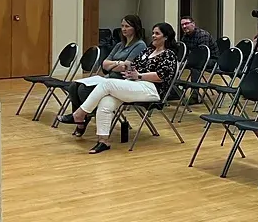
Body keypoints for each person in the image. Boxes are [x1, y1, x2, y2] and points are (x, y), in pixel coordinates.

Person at [60, 22, 180, 154]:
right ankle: (103, 141)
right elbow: (134, 65)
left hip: (152, 89)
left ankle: (79, 114)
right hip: (135, 84)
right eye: (153, 33)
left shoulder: (169, 54)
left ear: (166, 37)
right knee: (105, 102)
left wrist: (139, 76)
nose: (153, 36)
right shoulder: (148, 50)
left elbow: (161, 76)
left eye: (157, 33)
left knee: (107, 84)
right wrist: (129, 72)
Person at [66, 15, 148, 114]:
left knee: (83, 90)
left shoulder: (140, 45)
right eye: (122, 26)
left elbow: (125, 67)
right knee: (73, 86)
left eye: (127, 26)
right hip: (109, 77)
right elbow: (104, 64)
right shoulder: (119, 45)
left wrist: (112, 66)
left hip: (122, 80)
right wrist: (118, 63)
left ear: (135, 28)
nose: (123, 29)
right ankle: (78, 117)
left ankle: (88, 114)